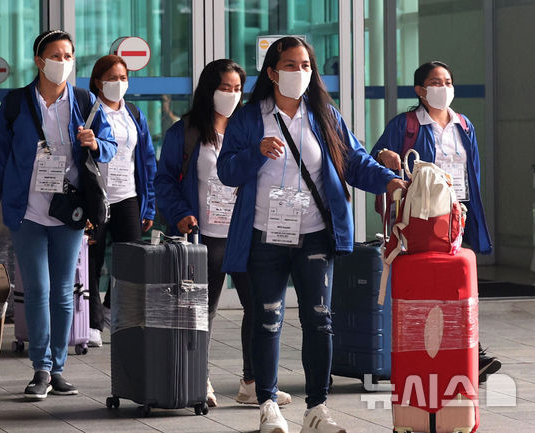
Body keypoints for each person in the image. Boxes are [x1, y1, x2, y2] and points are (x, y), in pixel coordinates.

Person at [217, 36, 406, 433]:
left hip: (315, 235)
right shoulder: (250, 118)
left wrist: (390, 182)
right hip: (264, 235)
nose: (299, 73)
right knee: (268, 318)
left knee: (320, 320)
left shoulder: (325, 115)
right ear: (271, 72)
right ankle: (268, 405)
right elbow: (226, 171)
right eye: (290, 65)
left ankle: (317, 409)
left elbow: (355, 162)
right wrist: (255, 152)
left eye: (305, 65)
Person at [0, 30, 116, 401]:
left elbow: (109, 145)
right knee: (37, 290)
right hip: (28, 211)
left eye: (69, 55)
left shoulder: (84, 100)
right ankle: (40, 369)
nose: (63, 62)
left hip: (69, 212)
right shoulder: (17, 104)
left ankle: (58, 368)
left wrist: (96, 143)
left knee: (64, 293)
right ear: (39, 61)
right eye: (55, 55)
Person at [155, 58, 291, 410]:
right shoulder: (185, 132)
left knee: (257, 308)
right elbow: (165, 180)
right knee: (203, 309)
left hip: (245, 231)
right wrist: (181, 213)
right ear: (208, 90)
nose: (231, 95)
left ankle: (252, 381)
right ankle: (199, 377)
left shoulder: (249, 129)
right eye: (224, 88)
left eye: (236, 89)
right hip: (204, 234)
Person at [370, 60, 499, 384]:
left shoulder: (464, 125)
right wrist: (387, 159)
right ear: (420, 90)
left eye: (447, 81)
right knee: (430, 282)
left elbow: (474, 173)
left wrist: (472, 216)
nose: (443, 88)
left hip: (458, 214)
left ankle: (469, 353)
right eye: (435, 82)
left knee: (457, 283)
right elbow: (374, 157)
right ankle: (451, 353)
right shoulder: (407, 124)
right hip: (424, 218)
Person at [86, 54, 156, 347]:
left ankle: (112, 309)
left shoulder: (135, 114)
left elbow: (147, 160)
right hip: (96, 196)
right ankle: (90, 323)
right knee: (93, 260)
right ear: (98, 81)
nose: (118, 83)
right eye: (112, 78)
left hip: (127, 195)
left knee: (130, 260)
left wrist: (149, 202)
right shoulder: (88, 110)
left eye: (123, 78)